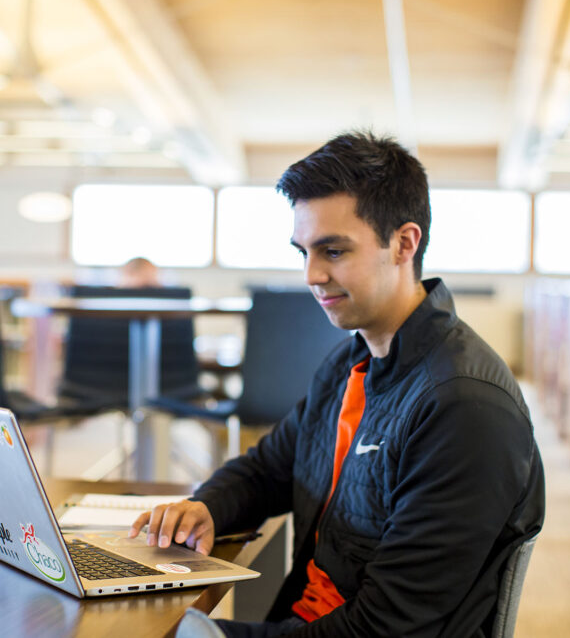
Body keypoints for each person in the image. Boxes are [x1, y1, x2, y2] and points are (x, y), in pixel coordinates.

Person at [129, 131, 545, 637]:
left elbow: (388, 627)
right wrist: (206, 507)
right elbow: (270, 469)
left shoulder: (465, 407)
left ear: (404, 243)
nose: (311, 274)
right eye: (303, 251)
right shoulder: (352, 363)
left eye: (333, 251)